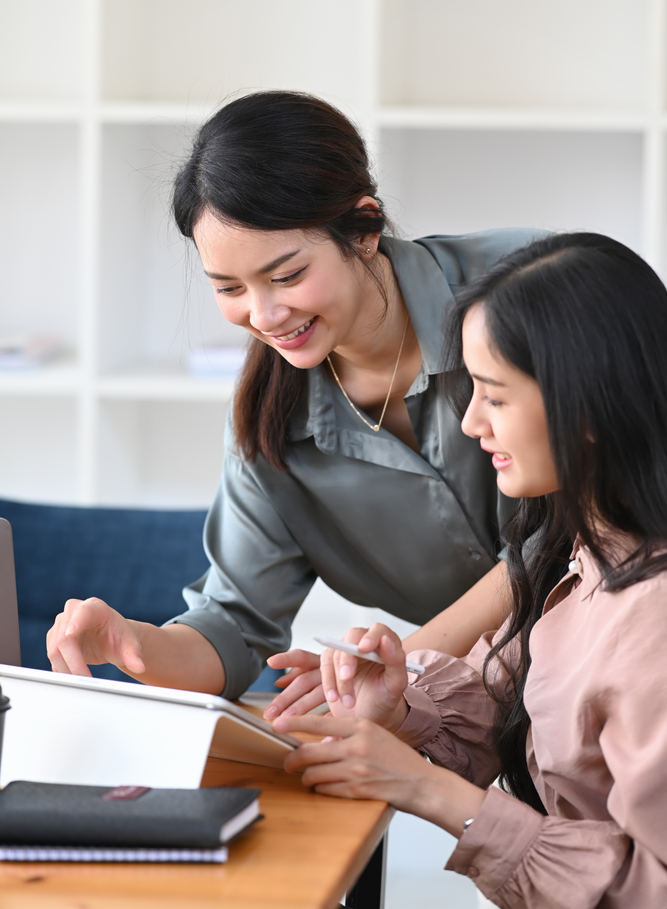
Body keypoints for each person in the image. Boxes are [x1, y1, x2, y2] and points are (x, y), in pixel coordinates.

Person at [46, 91, 540, 700]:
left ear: (364, 228)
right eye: (229, 288)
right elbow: (234, 625)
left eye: (287, 276)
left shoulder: (530, 281)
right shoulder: (268, 415)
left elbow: (583, 528)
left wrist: (400, 669)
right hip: (490, 711)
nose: (265, 314)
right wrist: (134, 645)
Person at [273, 232, 667, 908]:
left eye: (494, 395)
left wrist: (426, 790)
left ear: (589, 409)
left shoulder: (651, 618)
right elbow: (509, 696)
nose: (470, 423)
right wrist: (398, 706)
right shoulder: (583, 550)